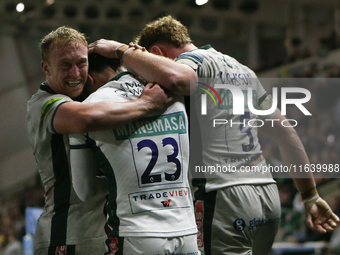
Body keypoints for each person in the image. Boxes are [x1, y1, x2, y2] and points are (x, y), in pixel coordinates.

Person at [88, 15, 339, 255]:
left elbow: (179, 78)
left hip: (223, 196)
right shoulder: (244, 71)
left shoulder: (194, 62)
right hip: (266, 195)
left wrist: (121, 51)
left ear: (157, 54)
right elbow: (285, 132)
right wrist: (310, 195)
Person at [26, 26, 171, 255]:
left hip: (103, 233)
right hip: (67, 234)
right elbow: (85, 119)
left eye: (81, 63)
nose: (75, 73)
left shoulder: (89, 98)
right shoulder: (43, 104)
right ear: (46, 68)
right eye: (65, 65)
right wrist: (148, 104)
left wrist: (133, 59)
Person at [69, 52, 199, 255]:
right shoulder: (172, 91)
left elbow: (85, 190)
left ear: (90, 79)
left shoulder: (87, 111)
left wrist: (123, 177)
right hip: (187, 231)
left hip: (137, 233)